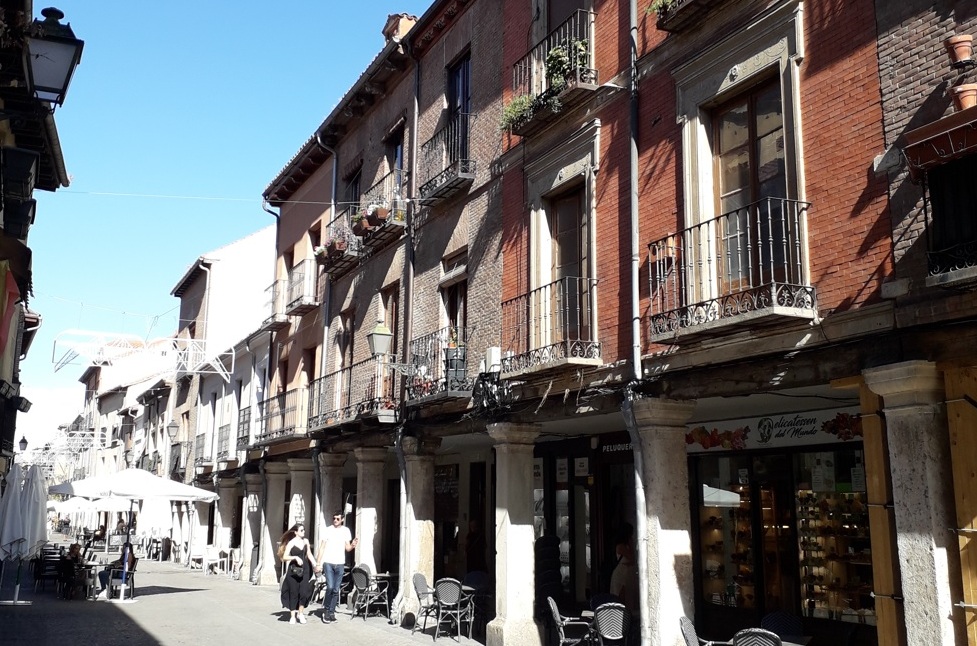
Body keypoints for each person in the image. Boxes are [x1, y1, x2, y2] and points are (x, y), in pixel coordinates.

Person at [314, 511, 357, 624]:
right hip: (328, 562)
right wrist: (318, 563)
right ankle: (326, 610)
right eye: (334, 518)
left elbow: (347, 548)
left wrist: (352, 545)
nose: (335, 520)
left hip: (340, 563)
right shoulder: (328, 530)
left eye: (337, 519)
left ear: (342, 519)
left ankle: (332, 612)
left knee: (336, 589)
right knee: (330, 587)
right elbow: (322, 547)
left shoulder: (346, 531)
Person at [278, 523, 315, 624]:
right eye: (301, 530)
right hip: (293, 570)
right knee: (293, 592)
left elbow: (309, 554)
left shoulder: (306, 541)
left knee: (303, 592)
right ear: (296, 532)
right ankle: (292, 616)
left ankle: (301, 613)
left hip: (305, 569)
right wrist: (295, 557)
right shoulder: (291, 543)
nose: (304, 532)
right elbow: (284, 557)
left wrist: (315, 564)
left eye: (304, 530)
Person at [609, 522, 639, 614]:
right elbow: (632, 558)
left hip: (628, 573)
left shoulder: (626, 546)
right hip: (621, 573)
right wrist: (632, 545)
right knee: (621, 597)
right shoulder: (621, 546)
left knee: (629, 597)